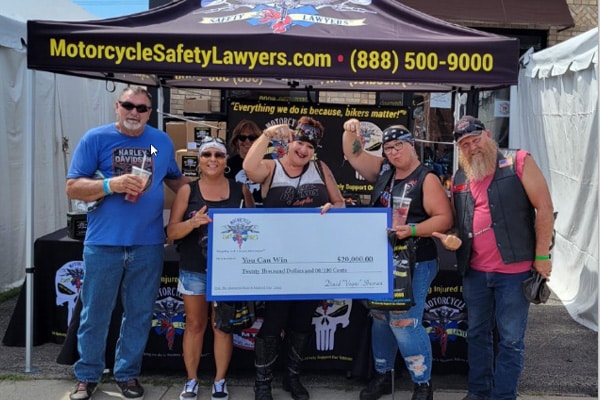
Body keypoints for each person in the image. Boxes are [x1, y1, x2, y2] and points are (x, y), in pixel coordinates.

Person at [65, 86, 190, 400]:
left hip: (148, 244)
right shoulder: (95, 138)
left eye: (142, 108)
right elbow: (73, 187)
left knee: (138, 313)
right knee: (95, 313)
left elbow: (176, 180)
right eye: (128, 106)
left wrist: (212, 190)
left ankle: (127, 374)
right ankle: (87, 375)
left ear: (150, 112)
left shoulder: (160, 141)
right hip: (103, 243)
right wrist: (111, 184)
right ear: (116, 106)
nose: (135, 112)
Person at [442, 115, 554, 400]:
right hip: (475, 272)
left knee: (511, 339)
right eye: (464, 144)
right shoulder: (460, 177)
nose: (471, 147)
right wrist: (453, 235)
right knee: (477, 334)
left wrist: (542, 255)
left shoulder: (519, 161)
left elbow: (544, 207)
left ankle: (504, 396)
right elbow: (460, 221)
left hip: (514, 273)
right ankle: (478, 392)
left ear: (488, 135)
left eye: (475, 140)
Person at [341, 118, 454, 400]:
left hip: (416, 259)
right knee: (380, 317)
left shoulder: (426, 178)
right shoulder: (384, 171)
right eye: (388, 148)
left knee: (404, 321)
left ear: (411, 146)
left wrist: (413, 229)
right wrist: (349, 130)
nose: (393, 152)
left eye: (399, 146)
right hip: (383, 259)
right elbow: (354, 154)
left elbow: (444, 218)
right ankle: (383, 377)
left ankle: (422, 384)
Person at [243, 116, 345, 400]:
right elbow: (249, 168)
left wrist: (331, 208)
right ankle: (262, 383)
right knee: (274, 321)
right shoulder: (271, 167)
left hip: (312, 260)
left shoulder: (320, 168)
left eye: (309, 146)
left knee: (302, 321)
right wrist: (265, 136)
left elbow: (339, 203)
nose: (303, 149)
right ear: (290, 142)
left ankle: (292, 378)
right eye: (300, 142)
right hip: (276, 261)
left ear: (315, 150)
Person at [167, 136, 255, 400]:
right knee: (194, 325)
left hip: (228, 272)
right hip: (195, 267)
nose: (213, 160)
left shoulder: (241, 190)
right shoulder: (187, 191)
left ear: (226, 161)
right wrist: (193, 223)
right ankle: (191, 380)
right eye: (207, 155)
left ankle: (219, 381)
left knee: (222, 326)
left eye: (218, 155)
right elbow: (171, 232)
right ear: (199, 161)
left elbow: (254, 228)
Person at [225, 119, 264, 205]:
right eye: (242, 138)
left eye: (252, 138)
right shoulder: (227, 165)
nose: (247, 141)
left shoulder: (266, 164)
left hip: (261, 212)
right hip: (233, 211)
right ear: (236, 141)